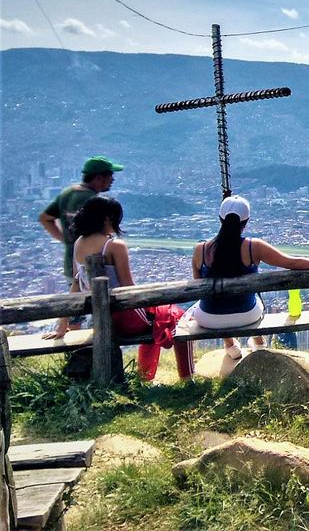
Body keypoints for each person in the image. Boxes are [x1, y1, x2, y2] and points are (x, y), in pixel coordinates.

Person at [186, 196, 309, 358]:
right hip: (246, 315)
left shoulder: (200, 250)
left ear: (220, 219)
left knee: (201, 306)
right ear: (246, 221)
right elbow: (292, 263)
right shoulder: (253, 247)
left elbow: (198, 289)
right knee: (257, 297)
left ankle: (230, 345)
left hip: (209, 318)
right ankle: (258, 342)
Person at [68, 196, 194, 381]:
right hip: (123, 316)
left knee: (158, 321)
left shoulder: (79, 244)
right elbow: (129, 288)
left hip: (99, 317)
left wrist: (63, 325)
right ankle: (186, 378)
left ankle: (146, 377)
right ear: (107, 219)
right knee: (177, 318)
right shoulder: (114, 246)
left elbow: (76, 284)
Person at [38, 156, 123, 339]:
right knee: (98, 314)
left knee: (76, 308)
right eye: (110, 176)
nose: (112, 180)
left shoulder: (67, 193)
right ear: (98, 177)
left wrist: (66, 240)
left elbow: (45, 218)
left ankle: (74, 351)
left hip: (73, 261)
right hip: (95, 263)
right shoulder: (93, 201)